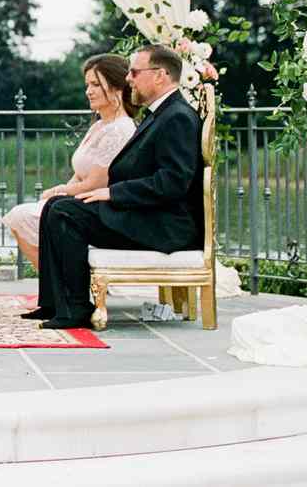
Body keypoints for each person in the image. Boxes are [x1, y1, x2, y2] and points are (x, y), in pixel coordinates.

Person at [26, 43, 204, 329]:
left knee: (65, 213)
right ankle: (54, 304)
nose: (129, 79)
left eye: (134, 72)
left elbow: (173, 181)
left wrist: (112, 193)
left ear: (160, 75)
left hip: (165, 226)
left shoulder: (177, 117)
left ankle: (76, 309)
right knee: (56, 206)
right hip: (147, 213)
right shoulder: (161, 113)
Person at [2, 54, 138, 264]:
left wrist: (58, 191)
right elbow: (79, 175)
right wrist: (59, 192)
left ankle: (62, 285)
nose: (88, 91)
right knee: (18, 217)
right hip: (79, 198)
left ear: (117, 88)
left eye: (96, 84)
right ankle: (57, 283)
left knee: (20, 217)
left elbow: (96, 182)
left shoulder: (120, 129)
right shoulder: (99, 126)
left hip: (100, 208)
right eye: (87, 85)